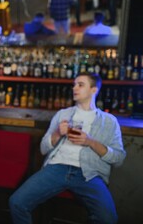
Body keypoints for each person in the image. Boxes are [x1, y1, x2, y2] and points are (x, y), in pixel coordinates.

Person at [9, 72, 126, 224]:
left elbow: (119, 158)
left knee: (108, 218)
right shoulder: (62, 114)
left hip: (89, 173)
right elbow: (43, 148)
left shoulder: (109, 121)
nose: (74, 88)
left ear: (94, 90)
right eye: (74, 84)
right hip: (57, 167)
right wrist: (57, 133)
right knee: (16, 202)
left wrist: (90, 142)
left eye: (80, 85)